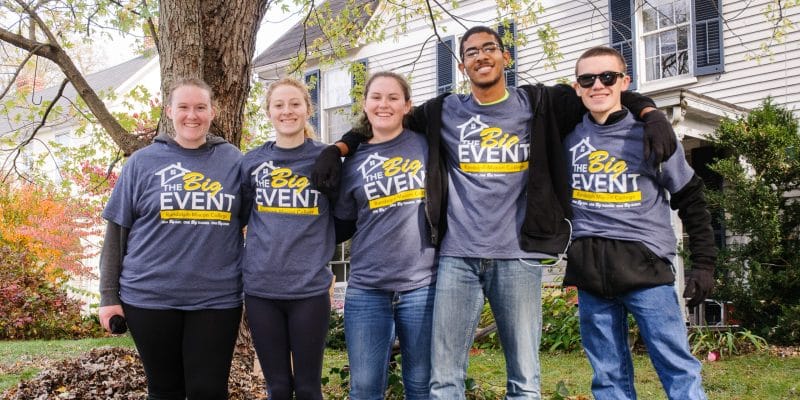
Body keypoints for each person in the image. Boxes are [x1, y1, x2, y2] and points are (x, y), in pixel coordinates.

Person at [314, 26, 677, 399]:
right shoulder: (443, 112)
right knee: (443, 379)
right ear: (462, 66)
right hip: (457, 259)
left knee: (525, 380)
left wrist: (650, 113)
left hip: (518, 257)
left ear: (506, 57)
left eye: (490, 48)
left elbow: (600, 89)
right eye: (471, 52)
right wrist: (340, 148)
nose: (481, 56)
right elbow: (384, 118)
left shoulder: (539, 103)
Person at [562, 46, 716, 400]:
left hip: (646, 271)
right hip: (590, 273)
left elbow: (691, 198)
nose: (598, 85)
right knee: (607, 375)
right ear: (577, 87)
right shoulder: (567, 136)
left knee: (676, 366)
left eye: (608, 77)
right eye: (588, 79)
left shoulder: (651, 135)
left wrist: (704, 264)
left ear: (624, 81)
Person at [98, 77, 244, 400]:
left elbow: (259, 222)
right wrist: (108, 296)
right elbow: (116, 232)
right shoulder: (142, 163)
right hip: (149, 297)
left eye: (200, 107)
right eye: (183, 107)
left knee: (209, 391)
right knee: (165, 391)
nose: (192, 115)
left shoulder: (233, 161)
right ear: (169, 111)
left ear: (213, 112)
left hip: (217, 299)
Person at [334, 71, 437, 400]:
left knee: (421, 386)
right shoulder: (352, 162)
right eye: (376, 97)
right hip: (367, 288)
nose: (384, 104)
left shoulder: (427, 145)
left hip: (421, 285)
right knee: (365, 388)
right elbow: (343, 223)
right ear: (365, 105)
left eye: (393, 98)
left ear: (407, 105)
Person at [240, 77, 334, 400]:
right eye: (278, 105)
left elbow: (343, 216)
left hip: (309, 290)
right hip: (261, 291)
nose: (287, 111)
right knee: (277, 388)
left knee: (308, 388)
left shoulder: (325, 159)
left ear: (308, 109)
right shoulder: (252, 162)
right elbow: (240, 217)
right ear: (268, 112)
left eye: (295, 104)